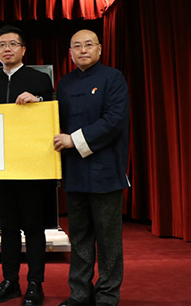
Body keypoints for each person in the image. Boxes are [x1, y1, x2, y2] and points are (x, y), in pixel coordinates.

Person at [0, 25, 54, 306]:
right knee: (7, 227)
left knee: (33, 226)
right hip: (2, 165)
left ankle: (35, 283)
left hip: (32, 166)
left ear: (23, 49)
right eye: (1, 45)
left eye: (12, 44)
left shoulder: (39, 79)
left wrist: (38, 101)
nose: (6, 49)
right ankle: (10, 281)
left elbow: (52, 112)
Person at [53, 29, 130, 306]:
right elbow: (54, 119)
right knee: (79, 236)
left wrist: (73, 140)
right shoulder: (64, 83)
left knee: (108, 238)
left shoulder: (113, 78)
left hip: (105, 170)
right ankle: (79, 292)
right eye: (77, 46)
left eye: (88, 45)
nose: (83, 50)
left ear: (99, 48)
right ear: (70, 52)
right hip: (74, 171)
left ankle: (107, 294)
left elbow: (114, 121)